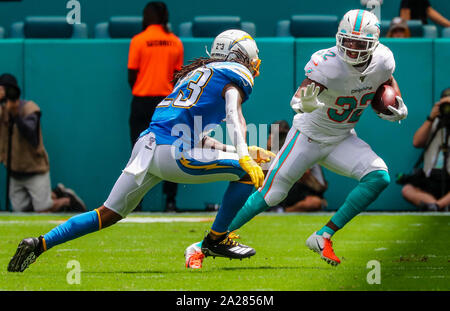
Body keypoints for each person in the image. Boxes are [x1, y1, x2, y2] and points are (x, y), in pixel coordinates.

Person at [7, 29, 276, 273]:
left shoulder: (198, 73)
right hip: (172, 153)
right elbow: (233, 113)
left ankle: (38, 244)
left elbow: (194, 135)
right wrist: (242, 154)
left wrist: (238, 148)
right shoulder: (233, 73)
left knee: (107, 214)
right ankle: (217, 239)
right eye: (253, 60)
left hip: (147, 148)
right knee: (245, 172)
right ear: (238, 55)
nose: (254, 66)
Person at [219, 9, 408, 266]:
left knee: (379, 176)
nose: (352, 48)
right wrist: (305, 103)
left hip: (342, 136)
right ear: (339, 38)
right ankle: (210, 241)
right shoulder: (327, 62)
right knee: (272, 194)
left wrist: (396, 102)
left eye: (359, 43)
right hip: (307, 136)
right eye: (347, 41)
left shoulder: (383, 59)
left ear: (373, 44)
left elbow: (387, 81)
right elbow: (298, 98)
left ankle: (323, 235)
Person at [0, 73, 86, 213]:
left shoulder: (29, 108)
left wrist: (16, 115)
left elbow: (31, 135)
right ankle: (55, 193)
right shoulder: (2, 111)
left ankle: (67, 199)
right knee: (21, 211)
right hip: (15, 172)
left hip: (34, 169)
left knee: (42, 209)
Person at [128, 1, 184, 211]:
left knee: (138, 150)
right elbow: (178, 77)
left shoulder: (139, 41)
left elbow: (131, 76)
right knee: (173, 149)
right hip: (167, 105)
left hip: (142, 102)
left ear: (150, 16)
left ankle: (135, 202)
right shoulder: (175, 42)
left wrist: (144, 87)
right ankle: (170, 201)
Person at [400, 88, 450, 211]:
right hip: (431, 178)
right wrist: (431, 118)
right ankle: (436, 205)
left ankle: (437, 206)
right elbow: (416, 142)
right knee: (407, 190)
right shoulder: (434, 122)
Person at [267, 120, 328, 213]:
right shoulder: (270, 151)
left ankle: (282, 211)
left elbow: (303, 173)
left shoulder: (301, 147)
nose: (280, 139)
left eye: (283, 135)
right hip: (288, 192)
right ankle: (276, 208)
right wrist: (269, 150)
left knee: (314, 203)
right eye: (278, 136)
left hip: (307, 192)